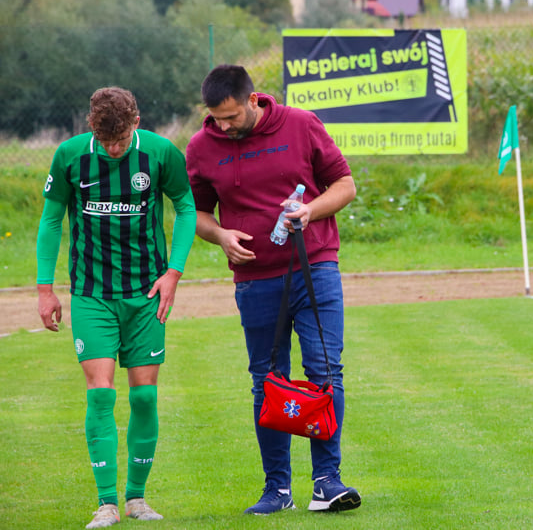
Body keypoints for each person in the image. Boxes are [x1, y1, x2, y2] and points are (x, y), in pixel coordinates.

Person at [185, 65, 360, 514]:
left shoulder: (301, 125)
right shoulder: (203, 148)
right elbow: (197, 214)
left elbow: (345, 185)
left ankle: (326, 482)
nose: (223, 126)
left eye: (230, 116)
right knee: (267, 380)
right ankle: (277, 490)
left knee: (326, 370)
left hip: (314, 266)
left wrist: (311, 210)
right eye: (215, 117)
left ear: (252, 100)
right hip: (254, 280)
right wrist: (221, 235)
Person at [36, 87, 197, 528]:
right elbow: (51, 221)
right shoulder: (70, 156)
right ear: (92, 128)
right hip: (92, 292)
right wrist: (45, 288)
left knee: (144, 395)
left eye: (121, 141)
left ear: (135, 125)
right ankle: (106, 502)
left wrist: (174, 272)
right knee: (102, 393)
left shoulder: (162, 153)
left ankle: (136, 500)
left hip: (146, 293)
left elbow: (185, 207)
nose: (113, 148)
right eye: (106, 141)